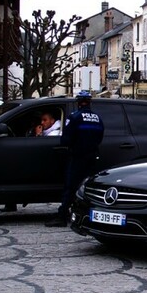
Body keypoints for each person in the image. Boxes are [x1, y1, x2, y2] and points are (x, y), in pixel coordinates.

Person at [46, 91, 104, 227]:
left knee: (70, 186)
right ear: (90, 103)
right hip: (92, 156)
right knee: (89, 187)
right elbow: (100, 137)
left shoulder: (74, 117)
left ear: (78, 103)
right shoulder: (97, 118)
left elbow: (65, 139)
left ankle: (62, 216)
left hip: (78, 156)